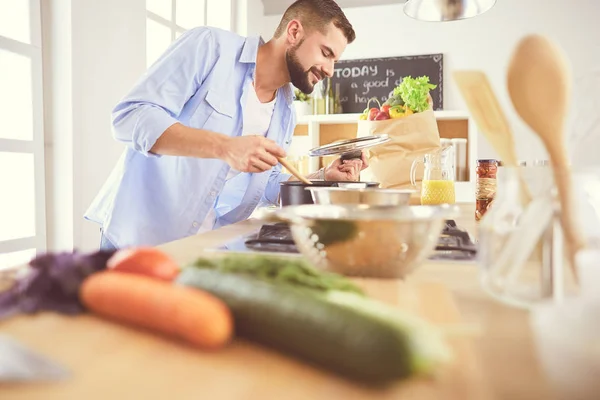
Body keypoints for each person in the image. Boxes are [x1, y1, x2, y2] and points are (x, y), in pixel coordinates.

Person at [85, 0, 366, 250]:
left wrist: (322, 177)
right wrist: (225, 147)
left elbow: (268, 188)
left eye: (335, 61)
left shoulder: (285, 111)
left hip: (202, 245)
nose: (330, 70)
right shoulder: (210, 47)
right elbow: (130, 116)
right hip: (137, 240)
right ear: (294, 32)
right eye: (326, 53)